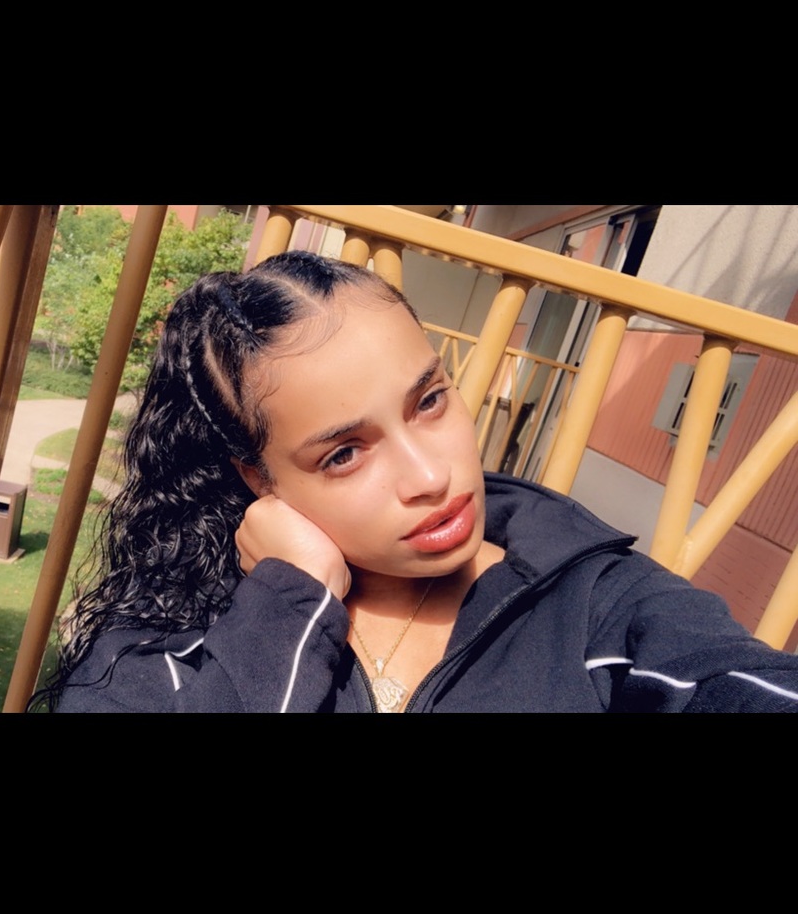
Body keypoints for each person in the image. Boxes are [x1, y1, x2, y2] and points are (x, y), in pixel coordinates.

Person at [42, 250, 798, 712]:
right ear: (259, 478)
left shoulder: (604, 608)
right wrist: (290, 603)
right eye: (344, 453)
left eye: (430, 401)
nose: (433, 477)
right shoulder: (173, 635)